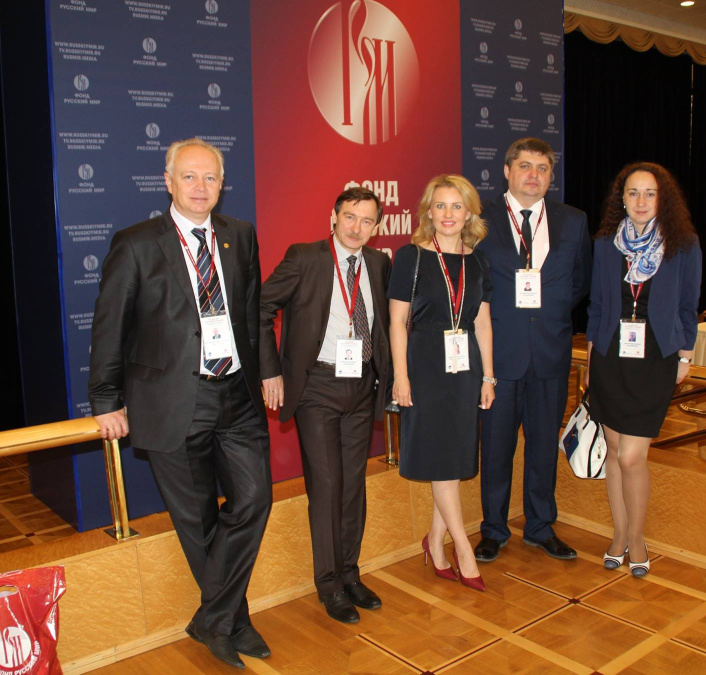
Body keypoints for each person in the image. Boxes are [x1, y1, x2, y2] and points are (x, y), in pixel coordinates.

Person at [88, 138, 272, 670]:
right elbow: (109, 327)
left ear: (222, 183)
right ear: (168, 182)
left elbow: (252, 314)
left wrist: (269, 371)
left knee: (255, 499)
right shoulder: (136, 244)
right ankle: (232, 619)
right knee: (198, 521)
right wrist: (105, 399)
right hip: (171, 400)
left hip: (235, 393)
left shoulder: (240, 235)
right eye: (188, 177)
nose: (200, 187)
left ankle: (212, 619)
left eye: (210, 177)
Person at [259, 187, 391, 625]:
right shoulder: (305, 258)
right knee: (327, 485)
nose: (356, 227)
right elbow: (260, 308)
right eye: (350, 216)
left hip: (362, 385)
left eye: (367, 220)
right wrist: (271, 371)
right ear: (333, 216)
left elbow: (385, 324)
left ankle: (350, 573)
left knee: (353, 485)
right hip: (318, 386)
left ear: (376, 226)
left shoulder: (378, 264)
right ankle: (329, 584)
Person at [474, 137, 591, 564]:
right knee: (496, 448)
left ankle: (541, 527)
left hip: (550, 353)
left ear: (550, 176)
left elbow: (579, 283)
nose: (533, 175)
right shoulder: (480, 218)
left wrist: (547, 316)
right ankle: (493, 529)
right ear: (507, 171)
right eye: (524, 166)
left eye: (542, 168)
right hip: (499, 354)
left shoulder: (573, 221)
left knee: (543, 447)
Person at [585, 162, 700, 578]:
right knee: (615, 452)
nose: (640, 201)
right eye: (632, 193)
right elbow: (598, 305)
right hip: (611, 358)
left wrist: (685, 357)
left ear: (662, 198)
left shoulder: (683, 244)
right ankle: (619, 534)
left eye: (649, 193)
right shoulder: (606, 244)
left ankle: (637, 538)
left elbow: (688, 306)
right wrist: (590, 361)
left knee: (633, 456)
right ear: (622, 198)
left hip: (656, 359)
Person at [388, 174, 495, 592]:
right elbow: (398, 322)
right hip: (425, 366)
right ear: (428, 213)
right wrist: (401, 376)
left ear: (469, 213)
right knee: (441, 456)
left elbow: (483, 324)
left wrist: (488, 376)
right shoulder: (410, 257)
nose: (448, 214)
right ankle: (462, 548)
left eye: (456, 206)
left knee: (450, 458)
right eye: (440, 206)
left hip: (465, 368)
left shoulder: (478, 261)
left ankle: (435, 540)